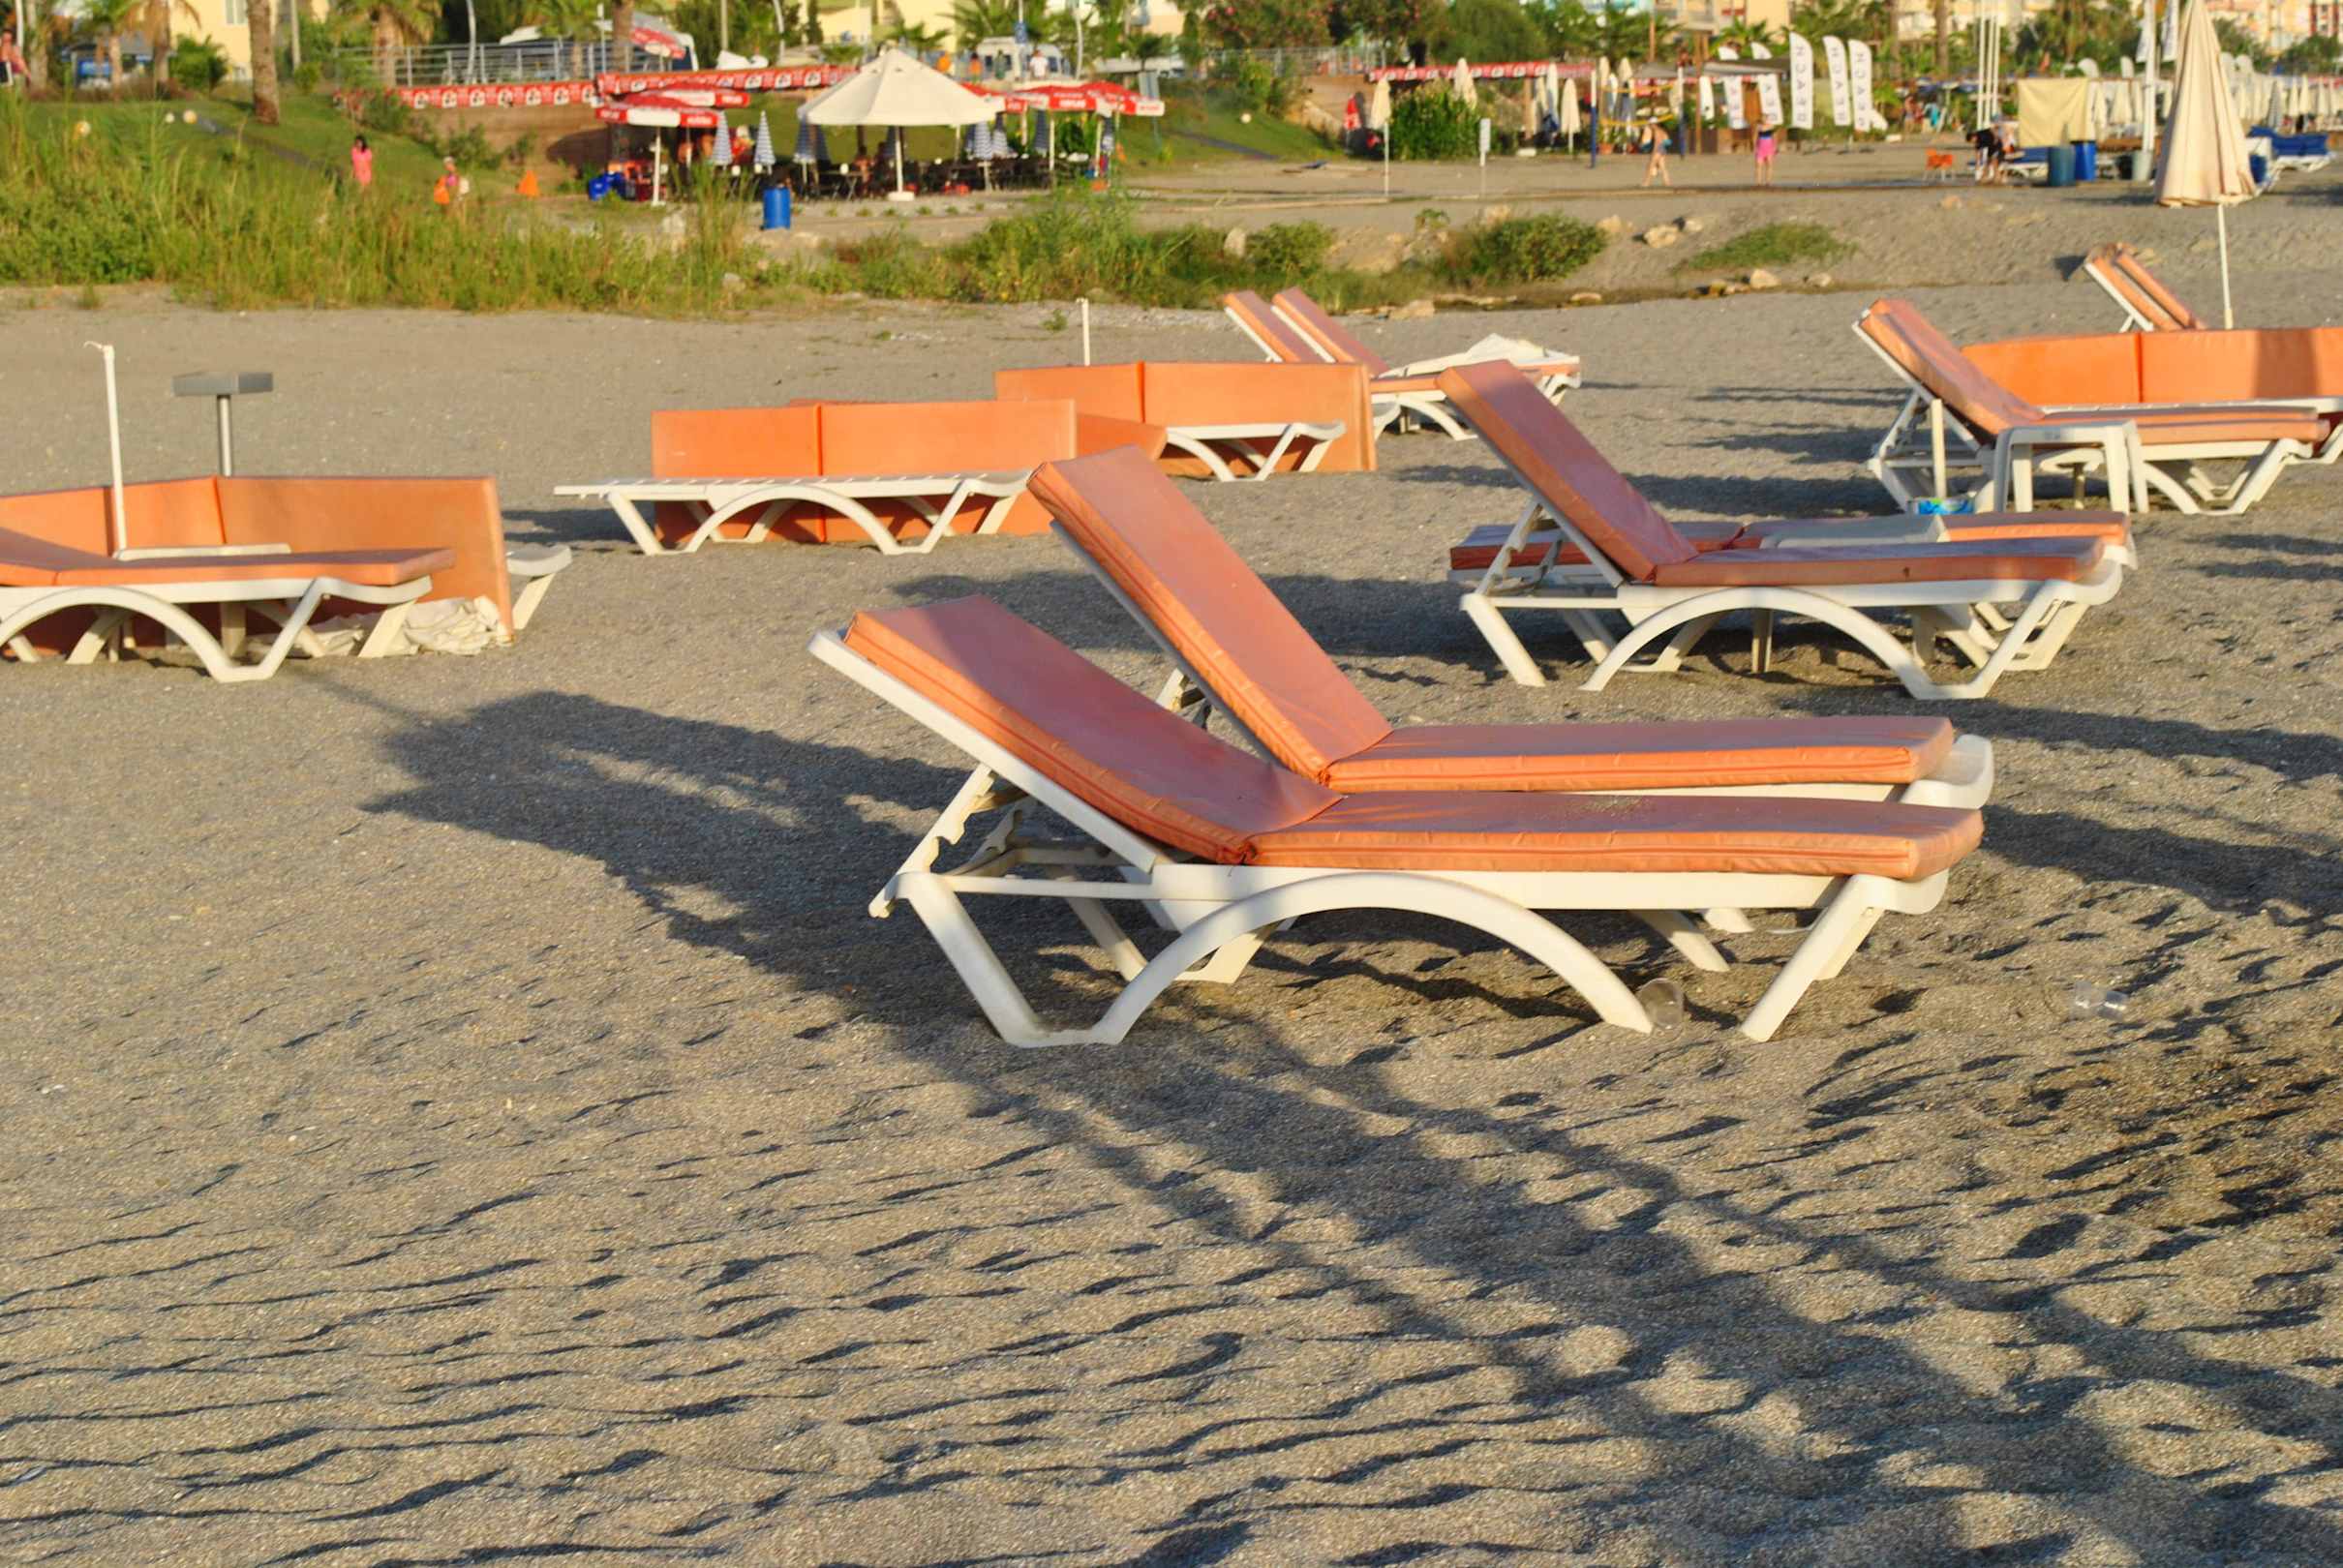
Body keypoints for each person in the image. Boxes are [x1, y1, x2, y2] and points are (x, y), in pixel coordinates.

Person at [1639, 116, 1672, 190]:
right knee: (1663, 167)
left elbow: (1657, 142)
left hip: (1658, 149)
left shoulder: (1656, 131)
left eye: (1650, 124)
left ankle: (1646, 183)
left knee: (1650, 166)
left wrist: (1654, 152)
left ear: (1654, 124)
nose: (1650, 126)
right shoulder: (1662, 130)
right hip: (1663, 149)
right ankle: (1667, 182)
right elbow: (1667, 140)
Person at [1753, 120, 1777, 187]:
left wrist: (1774, 147)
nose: (1765, 120)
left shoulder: (1772, 127)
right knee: (1758, 165)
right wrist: (1755, 147)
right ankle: (1758, 182)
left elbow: (1774, 137)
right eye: (1763, 118)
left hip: (1769, 149)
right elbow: (1755, 137)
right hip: (1760, 149)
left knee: (1769, 165)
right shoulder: (1758, 127)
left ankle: (1768, 182)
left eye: (1766, 118)